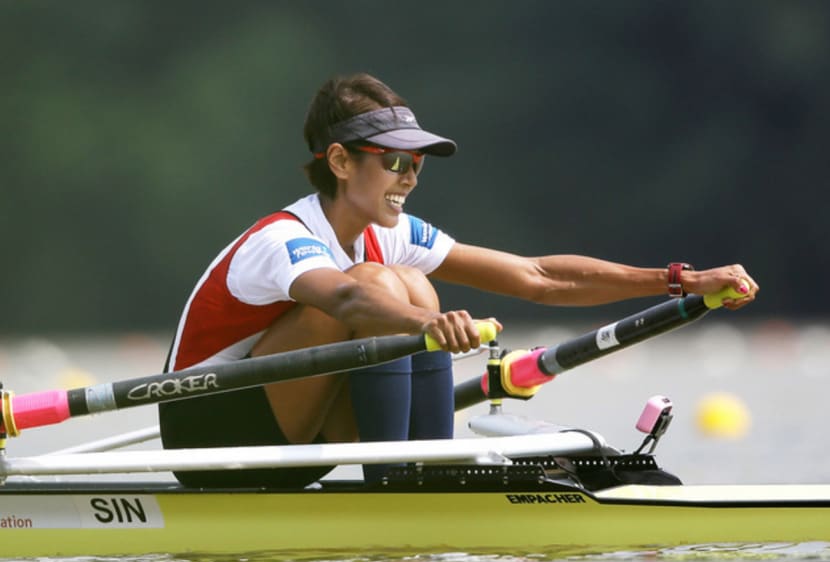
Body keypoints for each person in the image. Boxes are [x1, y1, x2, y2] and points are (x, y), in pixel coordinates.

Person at [158, 73, 758, 489]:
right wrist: (429, 326)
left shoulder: (388, 232)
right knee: (387, 287)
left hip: (292, 434)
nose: (410, 177)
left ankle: (420, 473)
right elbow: (343, 296)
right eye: (393, 161)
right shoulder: (280, 240)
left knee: (408, 282)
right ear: (339, 162)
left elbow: (538, 278)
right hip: (213, 442)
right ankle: (398, 481)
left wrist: (679, 280)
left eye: (415, 164)